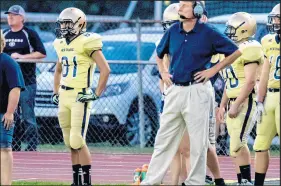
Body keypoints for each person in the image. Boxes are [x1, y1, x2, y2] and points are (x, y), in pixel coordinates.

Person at [140, 1, 242, 185]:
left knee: (198, 143)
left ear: (197, 9)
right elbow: (159, 53)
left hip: (197, 91)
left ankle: (195, 182)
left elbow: (235, 52)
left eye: (185, 5)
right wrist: (163, 72)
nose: (179, 8)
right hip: (175, 91)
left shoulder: (208, 31)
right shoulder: (172, 31)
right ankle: (151, 182)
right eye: (180, 5)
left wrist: (213, 70)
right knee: (163, 140)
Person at [158, 3, 225, 185]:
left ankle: (214, 179)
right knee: (176, 147)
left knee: (199, 146)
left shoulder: (204, 36)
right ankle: (179, 182)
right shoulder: (172, 39)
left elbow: (209, 73)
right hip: (174, 97)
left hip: (198, 95)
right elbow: (162, 72)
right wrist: (166, 92)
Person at [52, 7, 110, 186]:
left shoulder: (87, 42)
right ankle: (76, 181)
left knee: (77, 139)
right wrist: (56, 91)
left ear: (80, 23)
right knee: (69, 140)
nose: (64, 27)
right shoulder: (60, 43)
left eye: (68, 23)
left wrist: (96, 93)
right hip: (64, 94)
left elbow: (105, 69)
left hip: (80, 95)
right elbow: (59, 69)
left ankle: (87, 181)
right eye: (62, 23)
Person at [218, 12, 264, 185]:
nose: (228, 31)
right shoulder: (232, 48)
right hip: (232, 100)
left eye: (232, 28)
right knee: (233, 148)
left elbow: (250, 81)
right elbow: (229, 83)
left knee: (238, 143)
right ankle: (241, 181)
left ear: (244, 30)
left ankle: (246, 180)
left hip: (245, 100)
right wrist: (222, 105)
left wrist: (236, 104)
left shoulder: (251, 48)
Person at [3, 5, 46, 151]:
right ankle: (13, 144)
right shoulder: (5, 34)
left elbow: (41, 53)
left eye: (14, 15)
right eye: (9, 15)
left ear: (22, 18)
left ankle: (32, 146)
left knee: (27, 116)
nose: (10, 17)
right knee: (11, 114)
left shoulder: (29, 34)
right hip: (8, 84)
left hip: (26, 82)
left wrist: (22, 57)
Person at [251, 3, 280, 186]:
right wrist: (259, 101)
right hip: (269, 96)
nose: (275, 21)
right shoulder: (267, 41)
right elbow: (263, 74)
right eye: (275, 18)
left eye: (279, 18)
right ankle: (258, 184)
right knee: (260, 144)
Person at [0, 29, 25, 185]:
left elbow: (15, 88)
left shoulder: (8, 62)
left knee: (4, 148)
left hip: (3, 114)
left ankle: (6, 183)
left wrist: (10, 113)